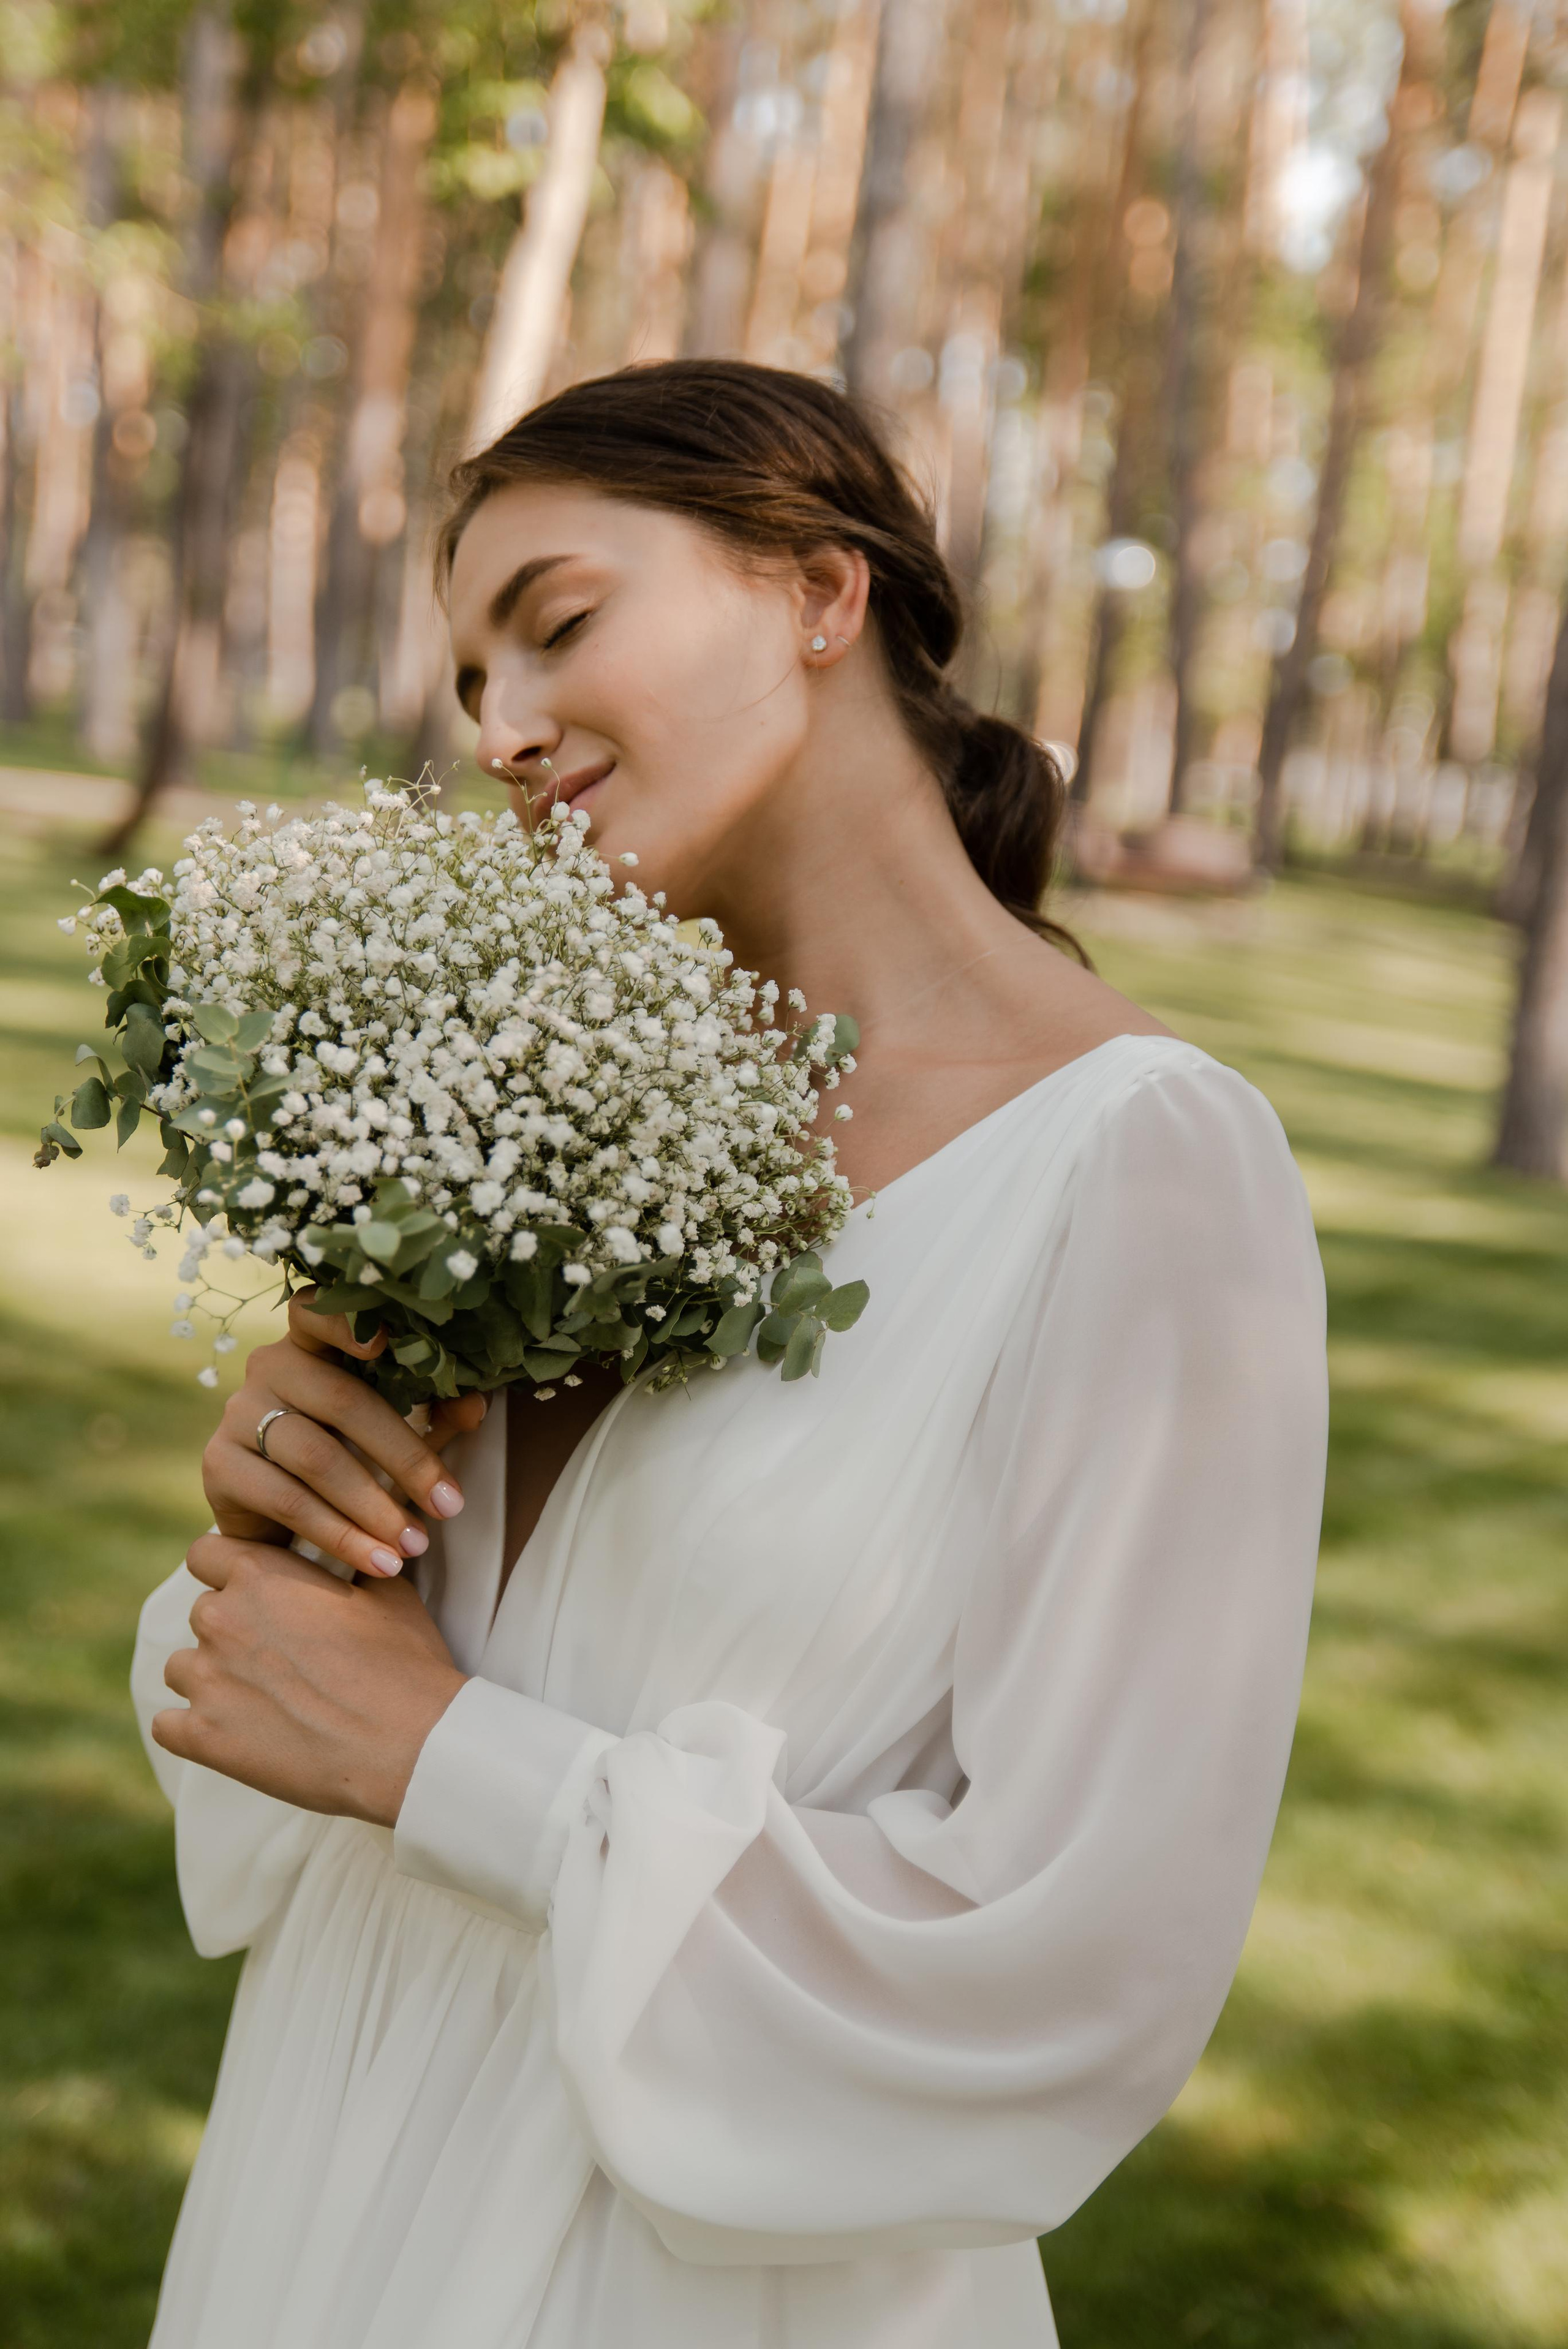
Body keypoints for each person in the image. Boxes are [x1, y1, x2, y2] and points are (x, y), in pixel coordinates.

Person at [130, 360, 1327, 2349]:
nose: (504, 730)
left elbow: (1078, 1960)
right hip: (321, 2177)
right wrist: (287, 1507)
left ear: (818, 590)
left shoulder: (1145, 1167)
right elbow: (296, 1715)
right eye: (471, 687)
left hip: (689, 2274)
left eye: (560, 626)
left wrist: (453, 1762)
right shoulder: (520, 1107)